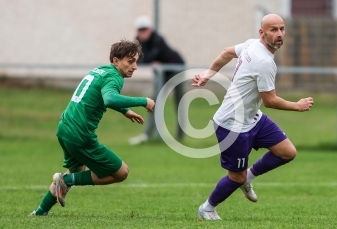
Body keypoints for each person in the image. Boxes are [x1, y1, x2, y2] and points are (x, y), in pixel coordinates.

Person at [192, 14, 314, 220]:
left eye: (282, 29)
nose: (279, 34)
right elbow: (270, 101)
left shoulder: (251, 45)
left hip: (252, 117)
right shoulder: (264, 61)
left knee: (287, 152)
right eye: (273, 30)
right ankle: (207, 208)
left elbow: (226, 52)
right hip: (233, 124)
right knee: (235, 177)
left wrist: (208, 74)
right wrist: (298, 106)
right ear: (262, 33)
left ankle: (247, 178)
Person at [29, 39, 155, 216]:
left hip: (65, 128)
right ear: (116, 61)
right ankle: (65, 180)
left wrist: (125, 111)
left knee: (77, 170)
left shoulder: (102, 70)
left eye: (136, 61)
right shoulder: (114, 76)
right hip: (80, 134)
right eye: (130, 61)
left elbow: (99, 95)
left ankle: (40, 211)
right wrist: (144, 101)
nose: (135, 66)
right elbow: (109, 98)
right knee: (121, 172)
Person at [128, 15, 185, 145]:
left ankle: (181, 137)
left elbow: (151, 56)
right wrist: (149, 60)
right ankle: (147, 135)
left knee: (180, 101)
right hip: (161, 75)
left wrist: (149, 59)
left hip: (177, 69)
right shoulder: (137, 42)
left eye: (145, 29)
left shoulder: (158, 39)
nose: (143, 32)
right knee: (154, 102)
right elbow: (138, 59)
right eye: (140, 30)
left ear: (150, 29)